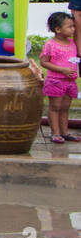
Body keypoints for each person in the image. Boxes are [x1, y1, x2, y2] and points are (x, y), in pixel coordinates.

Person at [40, 11, 79, 144]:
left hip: (70, 82)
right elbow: (44, 62)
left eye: (73, 26)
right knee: (55, 107)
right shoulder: (51, 45)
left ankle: (65, 132)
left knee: (65, 107)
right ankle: (55, 133)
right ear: (57, 29)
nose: (73, 29)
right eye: (70, 27)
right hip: (56, 82)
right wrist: (62, 70)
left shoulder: (73, 43)